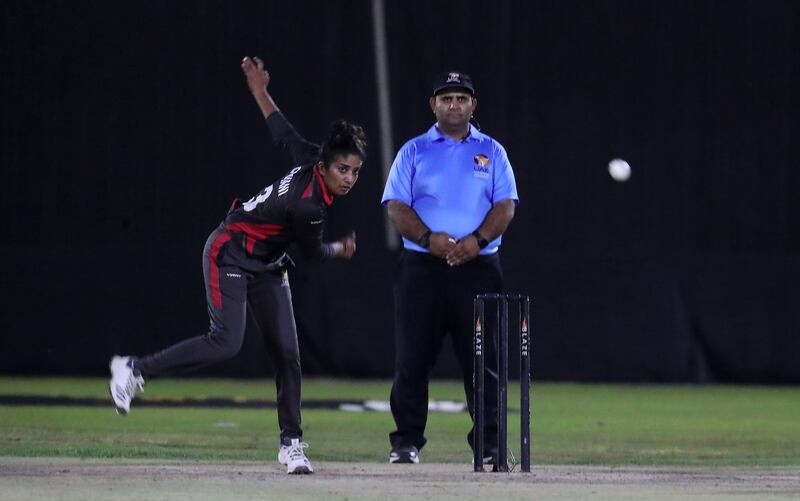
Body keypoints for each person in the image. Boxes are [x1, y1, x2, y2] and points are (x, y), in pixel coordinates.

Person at [108, 56, 366, 475]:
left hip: (266, 261)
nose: (349, 177)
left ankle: (292, 444)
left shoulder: (311, 158)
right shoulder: (309, 206)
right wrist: (341, 248)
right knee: (226, 341)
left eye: (355, 170)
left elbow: (282, 132)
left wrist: (260, 92)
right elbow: (315, 255)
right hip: (229, 250)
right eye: (343, 169)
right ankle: (134, 368)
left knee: (288, 354)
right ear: (324, 167)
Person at [381, 72, 518, 465]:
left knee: (484, 360)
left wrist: (476, 240)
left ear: (473, 105)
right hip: (422, 268)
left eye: (461, 98)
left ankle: (490, 444)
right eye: (447, 98)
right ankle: (405, 441)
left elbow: (505, 205)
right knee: (412, 357)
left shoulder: (492, 151)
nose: (454, 105)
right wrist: (428, 239)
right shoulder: (414, 151)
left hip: (479, 268)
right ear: (434, 105)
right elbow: (396, 205)